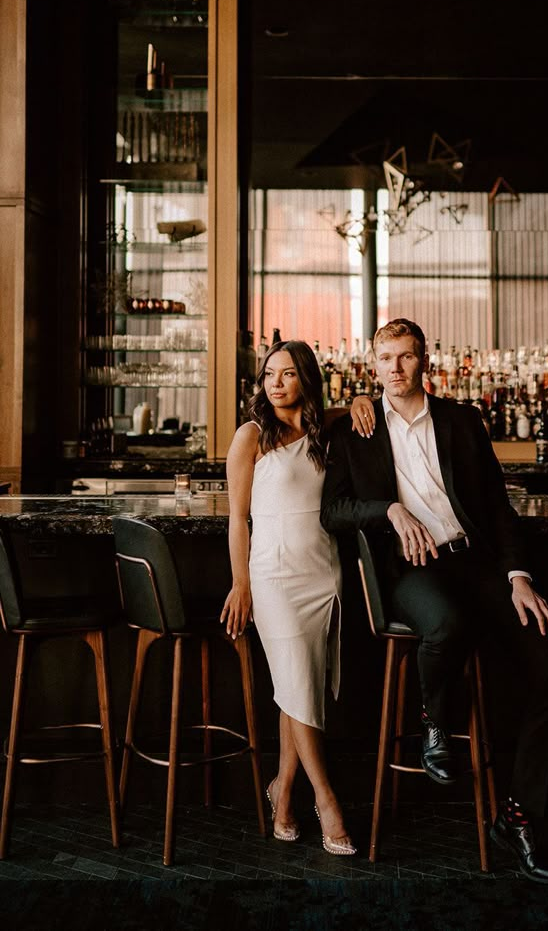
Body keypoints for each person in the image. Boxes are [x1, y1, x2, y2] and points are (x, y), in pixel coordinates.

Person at [321, 318, 548, 884]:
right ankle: (435, 722)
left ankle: (520, 817)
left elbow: (498, 507)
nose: (396, 368)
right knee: (448, 624)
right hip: (409, 567)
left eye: (406, 357)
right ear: (373, 364)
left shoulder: (463, 421)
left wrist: (518, 575)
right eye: (385, 359)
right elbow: (331, 512)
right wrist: (387, 509)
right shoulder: (352, 431)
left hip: (478, 563)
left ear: (424, 360)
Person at [221, 339, 356, 856]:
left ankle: (281, 796)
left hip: (323, 573)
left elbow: (355, 410)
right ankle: (326, 799)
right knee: (298, 685)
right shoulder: (251, 436)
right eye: (268, 375)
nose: (275, 383)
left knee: (297, 689)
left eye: (287, 374)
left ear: (306, 379)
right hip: (272, 576)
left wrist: (361, 402)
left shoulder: (325, 433)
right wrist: (241, 583)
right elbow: (238, 519)